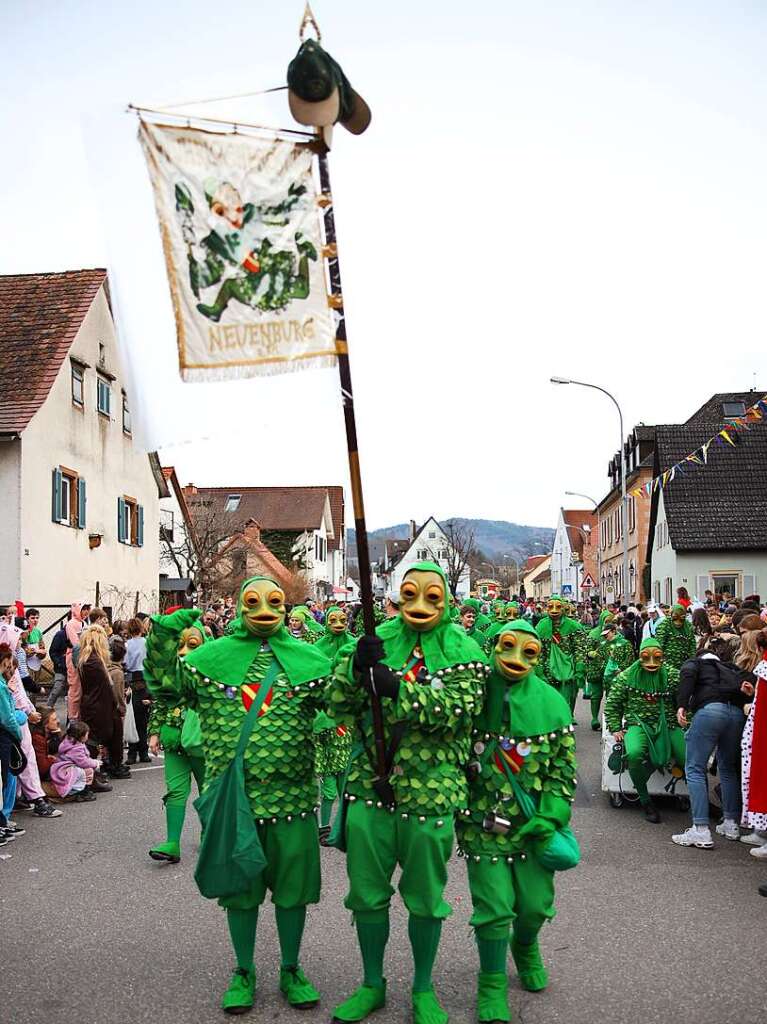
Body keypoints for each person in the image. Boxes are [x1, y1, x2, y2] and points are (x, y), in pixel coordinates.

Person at [149, 577, 332, 1014]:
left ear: (286, 607)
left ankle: (291, 968)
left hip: (293, 803)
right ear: (239, 606)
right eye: (254, 601)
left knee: (293, 891)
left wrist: (362, 668)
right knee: (241, 893)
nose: (265, 608)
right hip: (236, 803)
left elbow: (345, 704)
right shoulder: (210, 660)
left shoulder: (309, 660)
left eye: (274, 601)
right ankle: (244, 969)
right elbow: (165, 686)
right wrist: (162, 635)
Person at [328, 561, 485, 1024]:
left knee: (424, 897)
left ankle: (423, 988)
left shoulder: (465, 648)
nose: (419, 606)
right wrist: (356, 669)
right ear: (395, 597)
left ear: (448, 601)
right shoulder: (376, 642)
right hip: (369, 788)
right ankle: (372, 984)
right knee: (367, 894)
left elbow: (461, 711)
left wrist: (400, 689)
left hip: (433, 793)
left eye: (432, 597)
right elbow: (337, 705)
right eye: (410, 595)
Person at [456, 619, 577, 1023]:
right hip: (481, 824)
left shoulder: (553, 704)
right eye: (507, 647)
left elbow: (563, 769)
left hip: (534, 825)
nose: (515, 659)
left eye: (528, 652)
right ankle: (491, 982)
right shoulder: (471, 695)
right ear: (492, 647)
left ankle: (525, 946)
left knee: (534, 906)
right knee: (493, 907)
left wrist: (551, 815)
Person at [671, 638, 755, 848]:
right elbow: (751, 678)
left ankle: (700, 829)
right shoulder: (730, 667)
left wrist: (682, 705)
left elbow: (688, 676)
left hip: (709, 711)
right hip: (735, 714)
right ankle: (731, 823)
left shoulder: (696, 663)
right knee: (728, 769)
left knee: (695, 768)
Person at [145, 608, 207, 864]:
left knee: (209, 792)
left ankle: (210, 836)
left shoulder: (213, 675)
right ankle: (172, 843)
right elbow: (161, 702)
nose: (184, 652)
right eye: (179, 645)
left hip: (204, 745)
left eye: (192, 645)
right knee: (175, 792)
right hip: (174, 743)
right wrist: (155, 731)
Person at [604, 638, 686, 824]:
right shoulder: (626, 677)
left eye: (656, 658)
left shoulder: (672, 675)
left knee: (687, 758)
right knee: (633, 753)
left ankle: (695, 801)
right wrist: (615, 727)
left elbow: (686, 698)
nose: (651, 663)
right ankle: (645, 800)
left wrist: (686, 716)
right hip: (638, 724)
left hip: (669, 724)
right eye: (645, 657)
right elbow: (613, 704)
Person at [77, 625, 123, 784]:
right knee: (93, 742)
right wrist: (116, 704)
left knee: (93, 740)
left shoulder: (86, 659)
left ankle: (93, 774)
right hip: (99, 707)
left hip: (93, 705)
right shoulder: (94, 661)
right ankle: (91, 777)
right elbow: (106, 688)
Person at [536, 595, 587, 714]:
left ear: (563, 608)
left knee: (565, 701)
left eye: (558, 607)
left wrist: (580, 669)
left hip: (567, 671)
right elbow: (537, 651)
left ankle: (565, 723)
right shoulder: (541, 626)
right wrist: (539, 670)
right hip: (547, 672)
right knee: (549, 703)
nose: (554, 610)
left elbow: (579, 649)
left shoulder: (573, 626)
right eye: (550, 607)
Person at [741, 636, 767, 858]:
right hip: (757, 731)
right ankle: (761, 831)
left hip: (761, 733)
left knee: (761, 779)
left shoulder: (765, 664)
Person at [49, 721, 101, 802]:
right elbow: (83, 762)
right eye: (87, 734)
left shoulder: (68, 741)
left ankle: (80, 790)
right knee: (88, 771)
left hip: (62, 768)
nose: (88, 736)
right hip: (67, 770)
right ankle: (83, 792)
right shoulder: (76, 748)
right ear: (81, 736)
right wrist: (95, 763)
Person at [125, 618, 151, 763]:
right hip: (145, 680)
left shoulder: (127, 644)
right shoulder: (147, 643)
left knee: (132, 718)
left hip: (132, 680)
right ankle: (143, 751)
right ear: (141, 628)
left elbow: (126, 663)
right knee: (143, 719)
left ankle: (132, 753)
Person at [105, 638, 130, 779]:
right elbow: (119, 694)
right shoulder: (118, 673)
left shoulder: (106, 668)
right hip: (114, 709)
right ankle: (116, 764)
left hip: (105, 707)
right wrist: (122, 709)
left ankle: (110, 762)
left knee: (109, 738)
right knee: (117, 738)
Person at [654, 603, 696, 669]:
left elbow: (692, 646)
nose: (678, 622)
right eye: (675, 618)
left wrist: (692, 663)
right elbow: (658, 646)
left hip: (684, 664)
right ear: (671, 616)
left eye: (682, 619)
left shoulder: (688, 626)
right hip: (667, 664)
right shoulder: (664, 625)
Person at [65, 604, 85, 721]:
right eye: (83, 609)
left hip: (83, 658)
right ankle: (73, 718)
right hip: (74, 657)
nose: (86, 612)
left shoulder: (84, 623)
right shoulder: (71, 624)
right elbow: (76, 644)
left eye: (87, 609)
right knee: (75, 689)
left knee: (81, 689)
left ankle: (78, 716)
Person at [46, 622, 69, 708]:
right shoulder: (60, 635)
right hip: (61, 668)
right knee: (57, 688)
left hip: (73, 667)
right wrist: (59, 663)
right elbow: (53, 651)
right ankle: (48, 707)